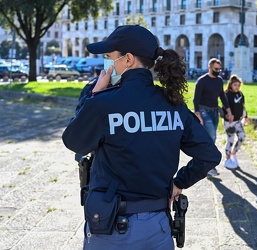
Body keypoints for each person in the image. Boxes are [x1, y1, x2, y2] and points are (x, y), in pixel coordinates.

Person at [61, 25, 221, 250]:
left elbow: (74, 141)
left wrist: (92, 94)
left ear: (128, 59)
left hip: (111, 229)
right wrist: (179, 182)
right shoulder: (173, 104)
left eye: (109, 57)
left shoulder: (104, 103)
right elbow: (209, 155)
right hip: (158, 228)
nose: (107, 64)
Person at [193, 58, 234, 176]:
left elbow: (222, 97)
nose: (218, 71)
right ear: (209, 67)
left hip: (215, 111)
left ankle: (202, 161)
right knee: (212, 137)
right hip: (203, 111)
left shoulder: (219, 81)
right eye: (216, 69)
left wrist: (228, 111)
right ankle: (210, 167)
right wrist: (198, 115)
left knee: (211, 139)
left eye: (219, 69)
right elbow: (196, 99)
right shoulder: (202, 81)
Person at [222, 75, 248, 169]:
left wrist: (246, 116)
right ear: (230, 84)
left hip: (238, 121)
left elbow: (242, 106)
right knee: (230, 140)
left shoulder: (240, 94)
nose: (237, 87)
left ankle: (233, 153)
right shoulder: (226, 94)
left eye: (238, 85)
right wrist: (227, 116)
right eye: (235, 85)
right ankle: (227, 159)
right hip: (229, 123)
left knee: (242, 137)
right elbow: (224, 108)